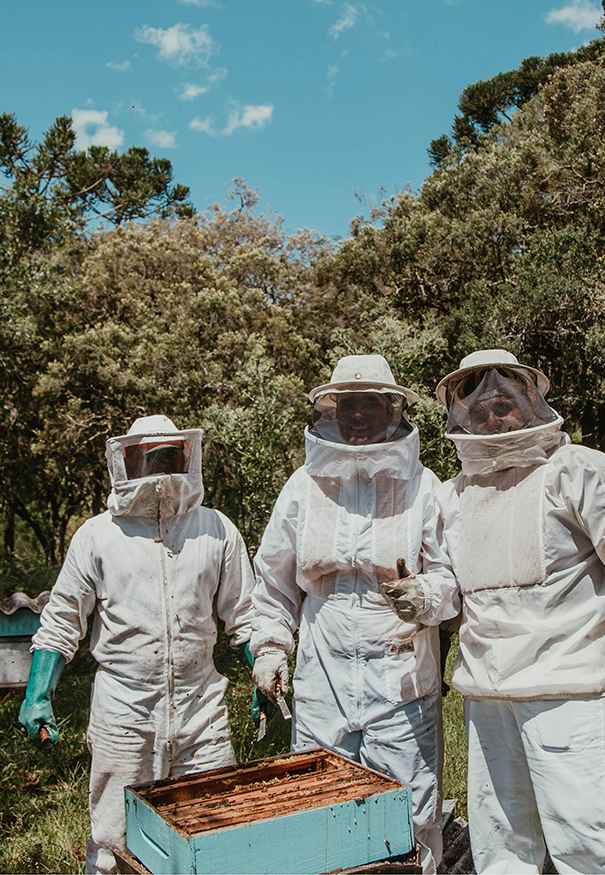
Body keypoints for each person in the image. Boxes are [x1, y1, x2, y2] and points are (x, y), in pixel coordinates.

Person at [435, 349, 605, 875]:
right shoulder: (452, 494)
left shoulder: (575, 468)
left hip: (567, 681)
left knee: (586, 832)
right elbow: (449, 586)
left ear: (531, 403)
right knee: (498, 837)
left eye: (503, 404)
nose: (492, 417)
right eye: (479, 410)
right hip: (485, 690)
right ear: (461, 418)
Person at [18, 415, 255, 875]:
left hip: (201, 707)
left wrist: (264, 671)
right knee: (115, 843)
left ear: (185, 457)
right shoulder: (97, 535)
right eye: (149, 458)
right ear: (127, 462)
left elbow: (244, 616)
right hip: (123, 710)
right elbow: (63, 619)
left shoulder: (216, 529)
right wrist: (37, 694)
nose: (161, 469)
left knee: (216, 829)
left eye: (168, 456)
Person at [249, 354, 459, 874]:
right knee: (320, 801)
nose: (358, 416)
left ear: (392, 410)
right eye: (347, 405)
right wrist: (272, 648)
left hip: (402, 673)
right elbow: (274, 582)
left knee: (410, 809)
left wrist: (425, 596)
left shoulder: (423, 486)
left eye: (369, 404)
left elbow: (454, 580)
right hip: (322, 675)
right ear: (331, 412)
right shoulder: (304, 487)